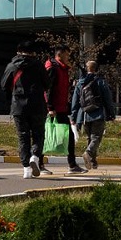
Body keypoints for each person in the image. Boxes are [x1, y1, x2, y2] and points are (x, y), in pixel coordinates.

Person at [1, 39, 49, 179]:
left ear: (18, 51)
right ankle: (35, 156)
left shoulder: (12, 66)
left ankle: (26, 168)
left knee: (23, 136)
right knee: (38, 134)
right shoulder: (38, 65)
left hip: (18, 107)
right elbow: (47, 83)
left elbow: (3, 85)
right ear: (33, 52)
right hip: (37, 106)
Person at [44, 46, 85, 174]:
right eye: (67, 54)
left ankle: (72, 165)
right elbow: (49, 89)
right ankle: (39, 163)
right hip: (54, 109)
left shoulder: (62, 69)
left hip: (60, 108)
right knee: (46, 135)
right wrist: (50, 107)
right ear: (60, 54)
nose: (68, 57)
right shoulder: (53, 68)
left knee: (67, 136)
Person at [70, 59, 115, 170]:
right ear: (96, 69)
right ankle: (88, 152)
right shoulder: (101, 82)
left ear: (86, 68)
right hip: (98, 113)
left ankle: (92, 162)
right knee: (96, 137)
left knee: (90, 138)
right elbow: (108, 99)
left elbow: (75, 101)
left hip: (84, 115)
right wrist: (111, 113)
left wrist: (74, 116)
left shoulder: (80, 83)